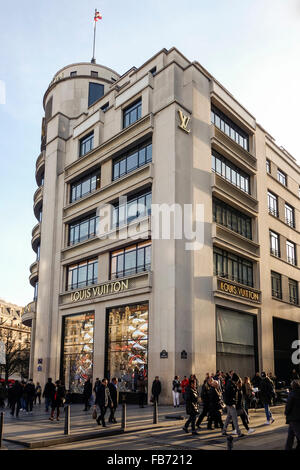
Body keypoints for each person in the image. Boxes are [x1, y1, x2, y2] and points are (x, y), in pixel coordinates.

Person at [222, 373, 244, 438]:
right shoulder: (231, 385)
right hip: (231, 403)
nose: (237, 382)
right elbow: (231, 395)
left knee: (228, 417)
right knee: (235, 419)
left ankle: (224, 431)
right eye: (237, 381)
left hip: (229, 403)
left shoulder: (230, 383)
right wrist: (235, 388)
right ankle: (239, 433)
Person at [285, 379, 300, 450]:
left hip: (293, 417)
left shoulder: (292, 394)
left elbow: (288, 406)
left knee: (293, 436)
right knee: (290, 436)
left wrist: (286, 412)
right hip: (296, 417)